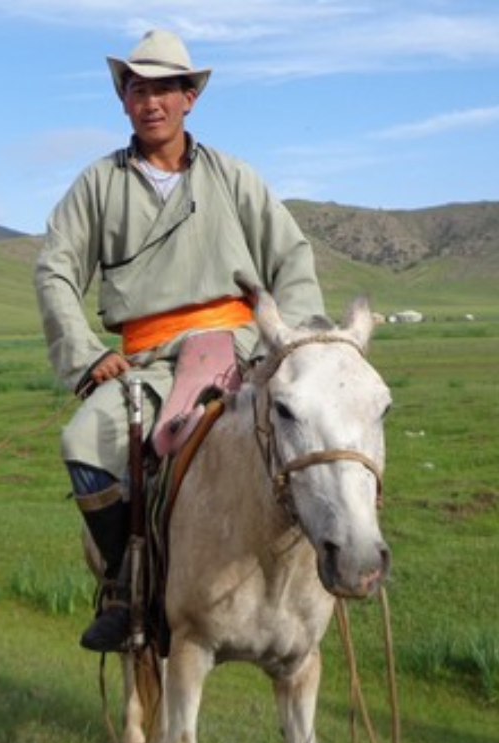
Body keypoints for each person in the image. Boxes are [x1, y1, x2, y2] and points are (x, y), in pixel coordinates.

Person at [34, 29, 325, 653]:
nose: (151, 101)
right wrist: (87, 356)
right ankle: (124, 587)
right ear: (123, 100)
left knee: (320, 434)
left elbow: (292, 257)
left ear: (190, 97)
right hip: (150, 359)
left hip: (243, 349)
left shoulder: (235, 177)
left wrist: (292, 346)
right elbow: (55, 267)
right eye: (138, 88)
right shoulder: (98, 185)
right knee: (83, 440)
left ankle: (330, 565)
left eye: (165, 87)